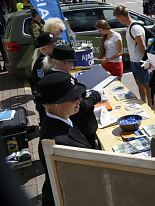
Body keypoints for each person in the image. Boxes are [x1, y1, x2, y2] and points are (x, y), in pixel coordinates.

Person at [37, 72, 93, 206]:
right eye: (74, 98)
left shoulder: (58, 119)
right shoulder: (59, 142)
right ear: (56, 104)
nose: (80, 100)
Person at [47, 45, 101, 149]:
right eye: (72, 62)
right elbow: (80, 107)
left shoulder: (57, 76)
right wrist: (95, 96)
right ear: (64, 62)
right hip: (81, 128)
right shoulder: (59, 81)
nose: (73, 66)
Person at [113, 5, 152, 106]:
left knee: (147, 86)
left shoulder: (135, 28)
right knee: (140, 84)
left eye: (117, 18)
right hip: (134, 61)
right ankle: (144, 104)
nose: (117, 20)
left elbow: (142, 47)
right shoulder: (130, 27)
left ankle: (151, 107)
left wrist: (146, 62)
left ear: (122, 16)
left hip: (139, 62)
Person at [31, 32, 57, 123]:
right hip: (47, 104)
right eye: (52, 45)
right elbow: (43, 85)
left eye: (55, 43)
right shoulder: (41, 64)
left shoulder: (50, 57)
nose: (55, 46)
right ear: (43, 49)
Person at [0, 8, 7, 72]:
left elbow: (4, 23)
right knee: (3, 51)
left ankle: (5, 66)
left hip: (1, 35)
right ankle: (5, 67)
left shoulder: (1, 16)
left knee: (3, 52)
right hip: (1, 35)